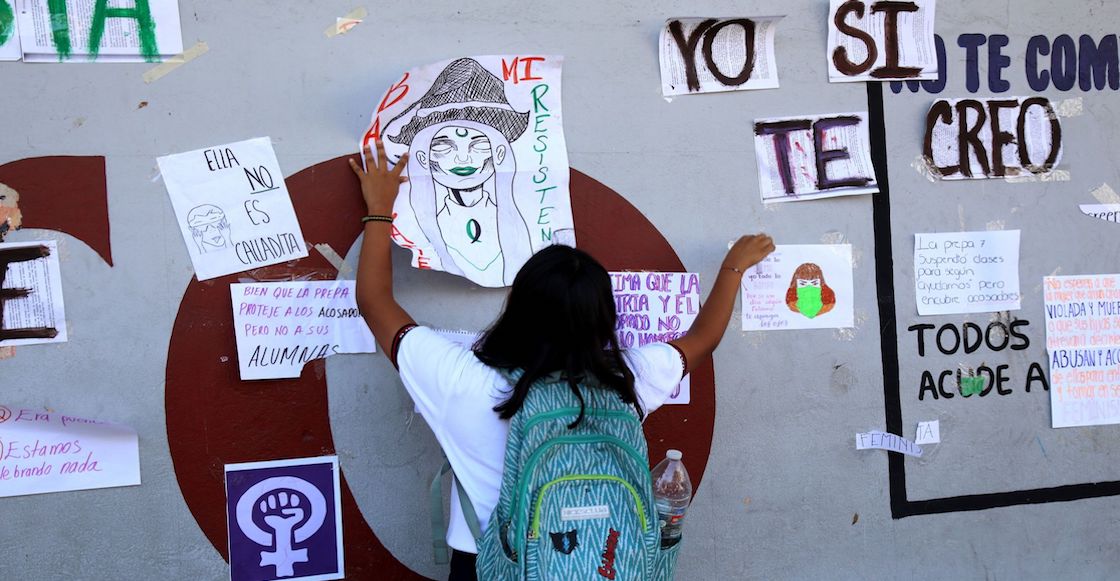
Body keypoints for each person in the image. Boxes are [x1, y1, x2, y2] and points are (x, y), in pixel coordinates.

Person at [350, 140, 774, 580]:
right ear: (603, 317)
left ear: (517, 306)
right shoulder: (626, 381)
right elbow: (703, 339)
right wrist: (733, 268)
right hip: (603, 563)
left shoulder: (463, 381)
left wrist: (379, 209)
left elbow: (374, 301)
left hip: (490, 566)